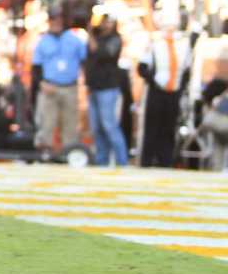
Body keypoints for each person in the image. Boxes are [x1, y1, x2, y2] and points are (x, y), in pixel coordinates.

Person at [137, 11, 192, 168]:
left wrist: (182, 88)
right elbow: (141, 67)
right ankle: (147, 160)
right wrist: (153, 80)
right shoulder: (155, 43)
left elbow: (187, 69)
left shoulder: (184, 44)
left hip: (174, 91)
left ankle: (165, 160)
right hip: (157, 90)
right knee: (152, 126)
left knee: (169, 127)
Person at [31, 14, 85, 155]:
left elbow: (85, 61)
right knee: (47, 121)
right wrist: (41, 83)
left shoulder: (75, 40)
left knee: (70, 122)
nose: (55, 23)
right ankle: (44, 152)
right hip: (50, 86)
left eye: (58, 20)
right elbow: (36, 67)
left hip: (70, 86)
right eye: (53, 20)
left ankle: (69, 152)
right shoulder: (43, 41)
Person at [84, 14, 129, 166]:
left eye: (110, 21)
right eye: (105, 21)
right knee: (96, 128)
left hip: (108, 88)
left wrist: (90, 34)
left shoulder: (115, 39)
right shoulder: (97, 37)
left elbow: (101, 53)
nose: (107, 25)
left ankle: (122, 161)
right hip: (94, 88)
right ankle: (101, 162)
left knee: (109, 125)